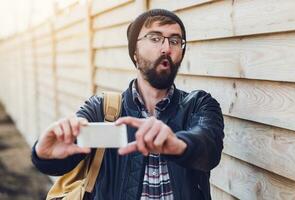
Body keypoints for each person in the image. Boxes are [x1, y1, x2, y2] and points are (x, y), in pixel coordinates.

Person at [32, 9, 224, 200]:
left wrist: (179, 145)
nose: (166, 48)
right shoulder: (103, 110)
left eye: (174, 41)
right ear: (134, 53)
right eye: (155, 38)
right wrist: (45, 154)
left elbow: (209, 147)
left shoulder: (198, 104)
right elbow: (68, 154)